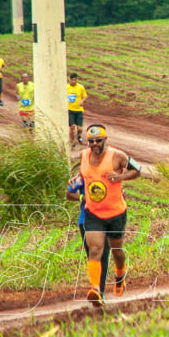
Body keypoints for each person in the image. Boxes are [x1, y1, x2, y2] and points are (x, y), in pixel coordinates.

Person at [77, 125, 140, 304]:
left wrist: (120, 177)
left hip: (116, 213)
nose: (95, 144)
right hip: (93, 212)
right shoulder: (83, 156)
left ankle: (120, 274)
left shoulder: (117, 156)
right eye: (91, 141)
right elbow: (82, 175)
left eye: (98, 141)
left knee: (117, 251)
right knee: (95, 250)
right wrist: (74, 183)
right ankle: (95, 289)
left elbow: (138, 170)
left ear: (106, 140)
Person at [67, 73, 88, 146]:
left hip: (79, 110)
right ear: (69, 79)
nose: (73, 81)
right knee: (72, 126)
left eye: (75, 80)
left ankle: (78, 136)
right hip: (70, 110)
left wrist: (82, 101)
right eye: (72, 80)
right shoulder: (66, 87)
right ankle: (72, 141)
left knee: (80, 129)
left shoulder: (80, 87)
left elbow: (85, 96)